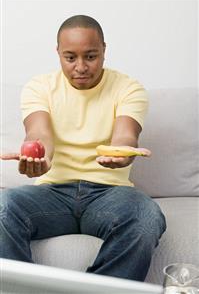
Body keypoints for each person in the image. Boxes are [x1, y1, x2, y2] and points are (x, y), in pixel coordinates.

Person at [0, 15, 166, 281]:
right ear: (58, 53)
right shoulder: (39, 87)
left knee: (145, 216)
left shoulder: (128, 87)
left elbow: (126, 135)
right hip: (52, 194)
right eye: (70, 57)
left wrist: (122, 154)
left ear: (104, 51)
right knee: (2, 207)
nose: (81, 67)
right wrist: (41, 158)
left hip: (109, 195)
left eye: (91, 56)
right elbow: (40, 132)